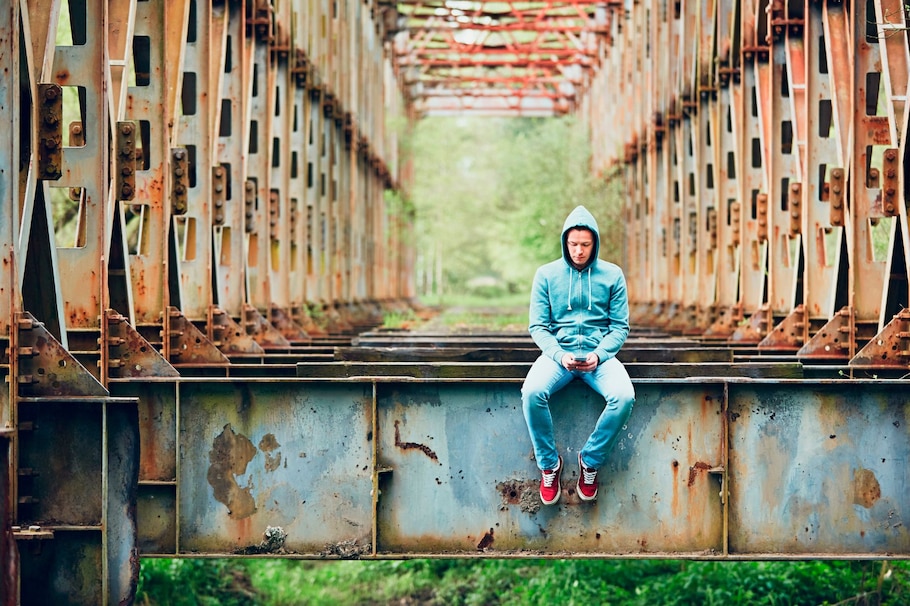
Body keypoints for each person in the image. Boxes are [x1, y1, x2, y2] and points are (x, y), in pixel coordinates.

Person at [521, 205, 635, 505]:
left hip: (600, 358)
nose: (579, 251)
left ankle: (590, 462)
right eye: (573, 244)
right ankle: (549, 465)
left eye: (585, 244)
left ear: (594, 243)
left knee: (623, 396)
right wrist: (558, 355)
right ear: (564, 242)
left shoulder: (612, 275)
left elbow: (620, 327)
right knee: (532, 391)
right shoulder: (546, 274)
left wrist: (600, 354)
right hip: (559, 356)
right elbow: (538, 326)